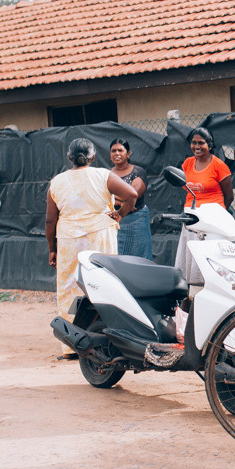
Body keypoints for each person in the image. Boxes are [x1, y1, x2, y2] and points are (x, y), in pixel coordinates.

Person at [46, 138, 137, 360]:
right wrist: (120, 214)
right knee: (102, 284)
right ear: (93, 157)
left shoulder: (56, 182)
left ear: (69, 158)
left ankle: (70, 347)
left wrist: (52, 249)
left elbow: (50, 221)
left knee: (70, 287)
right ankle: (106, 340)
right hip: (100, 236)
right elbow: (132, 195)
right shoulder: (103, 175)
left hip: (69, 239)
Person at [175, 127, 233, 285]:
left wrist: (215, 215)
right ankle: (192, 293)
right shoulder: (187, 163)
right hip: (191, 220)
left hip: (210, 223)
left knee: (209, 263)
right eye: (193, 143)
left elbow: (229, 196)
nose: (196, 146)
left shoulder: (219, 165)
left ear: (210, 144)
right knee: (191, 262)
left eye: (201, 143)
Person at [109, 138, 152, 260]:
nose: (116, 153)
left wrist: (113, 195)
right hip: (115, 221)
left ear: (128, 154)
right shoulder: (107, 174)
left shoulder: (138, 172)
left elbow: (134, 194)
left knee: (140, 257)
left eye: (120, 150)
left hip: (136, 219)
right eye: (113, 151)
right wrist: (123, 201)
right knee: (118, 257)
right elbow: (103, 196)